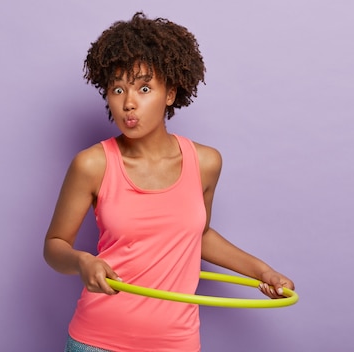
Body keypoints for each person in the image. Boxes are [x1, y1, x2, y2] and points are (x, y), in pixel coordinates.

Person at [44, 12, 295, 352]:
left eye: (144, 88)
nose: (128, 103)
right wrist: (81, 261)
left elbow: (198, 235)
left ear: (170, 93)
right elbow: (55, 245)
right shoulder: (92, 164)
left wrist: (262, 272)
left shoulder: (205, 162)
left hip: (175, 343)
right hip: (98, 341)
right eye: (117, 89)